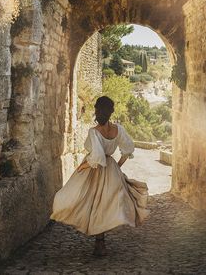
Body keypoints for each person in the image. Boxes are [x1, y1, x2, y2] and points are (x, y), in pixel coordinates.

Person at [50, 96, 149, 256]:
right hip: (111, 169)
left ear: (97, 110)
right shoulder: (119, 130)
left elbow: (96, 158)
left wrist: (82, 166)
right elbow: (128, 149)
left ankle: (99, 243)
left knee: (89, 202)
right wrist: (117, 166)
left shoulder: (94, 132)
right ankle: (100, 242)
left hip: (94, 170)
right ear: (112, 112)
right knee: (105, 204)